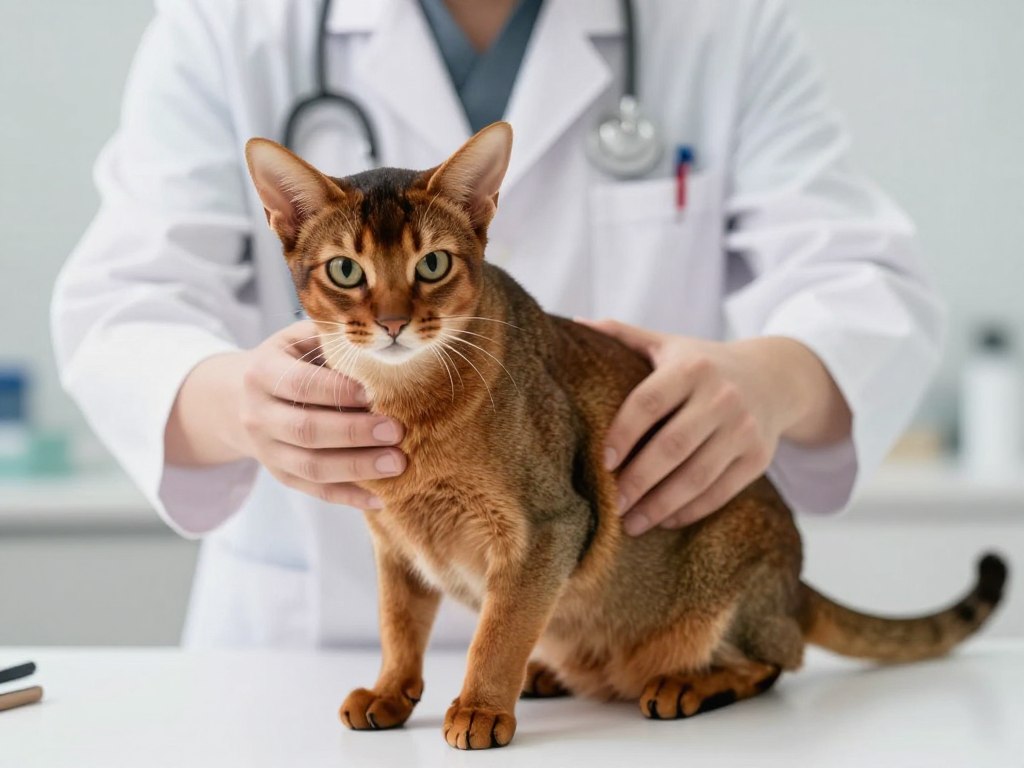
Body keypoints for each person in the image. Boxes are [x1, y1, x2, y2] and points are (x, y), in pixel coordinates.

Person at [51, 0, 943, 648]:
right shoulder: (228, 24)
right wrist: (236, 404)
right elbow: (126, 303)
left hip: (624, 641)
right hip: (305, 646)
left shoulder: (721, 24)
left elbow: (864, 282)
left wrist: (779, 378)